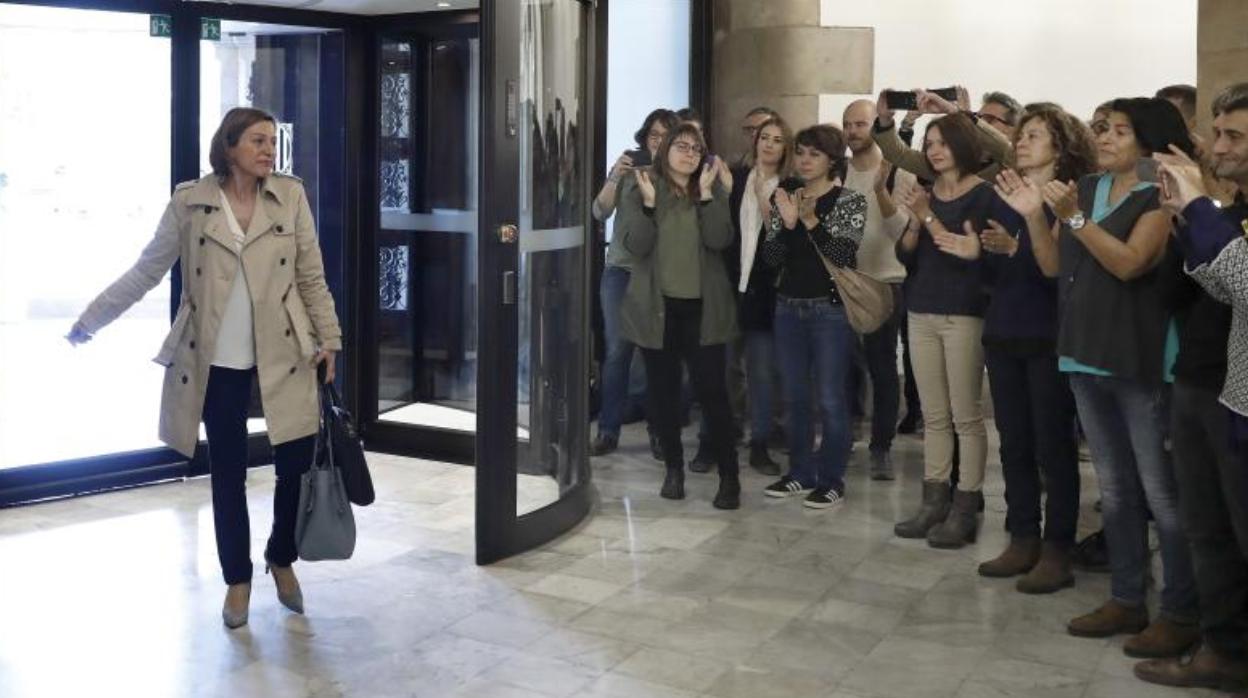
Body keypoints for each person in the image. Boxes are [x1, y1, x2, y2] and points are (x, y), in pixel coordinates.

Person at [66, 108, 342, 629]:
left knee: (294, 468)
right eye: (257, 141)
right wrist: (92, 319)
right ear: (229, 145)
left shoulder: (290, 196)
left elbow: (311, 275)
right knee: (227, 475)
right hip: (217, 360)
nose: (269, 150)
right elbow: (147, 270)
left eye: (272, 141)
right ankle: (237, 579)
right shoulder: (191, 202)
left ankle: (281, 555)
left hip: (285, 354)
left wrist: (329, 339)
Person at [1026, 97, 1199, 657]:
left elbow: (1130, 262)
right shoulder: (1088, 187)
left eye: (1120, 131)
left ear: (1147, 142)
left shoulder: (1158, 194)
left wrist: (1075, 219)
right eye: (1102, 128)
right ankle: (1127, 597)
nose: (1104, 137)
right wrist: (1035, 215)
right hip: (1082, 350)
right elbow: (1054, 265)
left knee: (1160, 493)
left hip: (1137, 354)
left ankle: (1180, 610)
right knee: (1116, 489)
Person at [1136, 81, 1248, 691]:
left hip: (1234, 393)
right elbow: (1203, 289)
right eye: (1219, 132)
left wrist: (1201, 211)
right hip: (1219, 387)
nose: (1217, 146)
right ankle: (1223, 651)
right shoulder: (1229, 212)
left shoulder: (1222, 212)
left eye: (1234, 136)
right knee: (1210, 529)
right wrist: (1186, 222)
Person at [980, 106, 1097, 593]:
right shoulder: (1008, 193)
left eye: (1034, 135)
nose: (1021, 142)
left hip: (1047, 334)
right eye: (1021, 135)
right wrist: (983, 251)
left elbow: (1052, 269)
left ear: (1060, 147)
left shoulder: (1068, 198)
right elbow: (996, 271)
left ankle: (1057, 548)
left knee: (1053, 445)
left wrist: (1028, 225)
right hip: (1004, 326)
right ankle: (1023, 535)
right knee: (1014, 442)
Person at [891, 111, 1012, 548]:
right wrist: (913, 220)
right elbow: (908, 255)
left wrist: (927, 218)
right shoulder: (927, 194)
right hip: (921, 307)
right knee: (934, 415)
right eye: (929, 144)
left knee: (966, 415)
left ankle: (966, 505)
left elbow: (984, 255)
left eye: (942, 142)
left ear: (963, 145)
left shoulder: (985, 196)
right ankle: (933, 500)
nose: (934, 151)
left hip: (963, 312)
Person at [615, 122, 741, 509]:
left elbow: (720, 239)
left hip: (703, 310)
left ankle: (730, 477)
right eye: (681, 146)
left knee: (713, 394)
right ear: (665, 148)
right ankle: (673, 469)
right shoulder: (641, 186)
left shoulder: (711, 188)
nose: (689, 154)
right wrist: (650, 205)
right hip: (658, 309)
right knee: (664, 395)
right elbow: (636, 245)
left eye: (696, 148)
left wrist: (708, 196)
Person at [760, 124, 867, 509]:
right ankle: (800, 472)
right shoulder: (786, 195)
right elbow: (770, 259)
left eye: (814, 154)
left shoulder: (850, 201)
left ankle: (831, 478)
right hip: (788, 306)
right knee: (794, 396)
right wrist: (786, 225)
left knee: (831, 398)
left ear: (832, 161)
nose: (804, 160)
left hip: (830, 310)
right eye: (801, 152)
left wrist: (809, 221)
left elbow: (842, 255)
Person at [591, 108, 678, 457]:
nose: (658, 142)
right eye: (654, 135)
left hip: (659, 274)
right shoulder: (629, 169)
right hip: (620, 271)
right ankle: (608, 430)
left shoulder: (679, 174)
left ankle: (659, 430)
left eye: (666, 136)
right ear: (645, 137)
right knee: (617, 351)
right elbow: (599, 211)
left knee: (656, 354)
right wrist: (615, 175)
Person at [841, 99, 916, 480]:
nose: (853, 131)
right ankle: (845, 434)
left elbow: (902, 232)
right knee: (844, 366)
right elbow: (843, 235)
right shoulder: (841, 171)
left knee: (883, 369)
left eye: (861, 124)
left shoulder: (897, 171)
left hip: (886, 281)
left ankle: (881, 447)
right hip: (847, 282)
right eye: (848, 124)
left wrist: (881, 193)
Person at [725, 115, 793, 475]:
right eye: (765, 137)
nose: (768, 144)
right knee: (725, 369)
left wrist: (769, 212)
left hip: (766, 292)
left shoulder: (790, 187)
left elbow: (782, 250)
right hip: (729, 286)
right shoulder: (736, 178)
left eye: (777, 140)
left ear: (786, 148)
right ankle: (718, 437)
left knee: (763, 372)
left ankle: (761, 443)